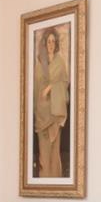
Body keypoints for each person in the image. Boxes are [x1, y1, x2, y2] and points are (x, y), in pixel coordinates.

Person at [33, 28, 70, 178]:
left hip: (55, 112)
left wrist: (52, 87)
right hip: (41, 114)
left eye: (53, 41)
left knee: (55, 152)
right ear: (44, 43)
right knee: (44, 154)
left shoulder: (60, 62)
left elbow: (64, 82)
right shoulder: (39, 63)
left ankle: (55, 180)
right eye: (48, 41)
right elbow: (36, 87)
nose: (51, 44)